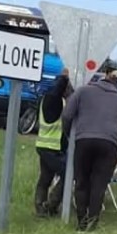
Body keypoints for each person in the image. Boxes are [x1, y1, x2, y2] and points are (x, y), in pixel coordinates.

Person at [62, 67, 117, 231]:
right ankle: (92, 223)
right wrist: (115, 142)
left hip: (83, 140)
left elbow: (67, 115)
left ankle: (81, 222)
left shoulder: (82, 91)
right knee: (99, 184)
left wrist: (70, 135)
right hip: (108, 144)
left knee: (81, 181)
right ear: (116, 84)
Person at [34, 70, 73, 217]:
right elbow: (57, 92)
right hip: (52, 147)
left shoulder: (46, 100)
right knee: (69, 174)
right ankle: (51, 204)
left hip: (44, 145)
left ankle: (40, 207)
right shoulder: (53, 100)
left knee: (45, 177)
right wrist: (65, 77)